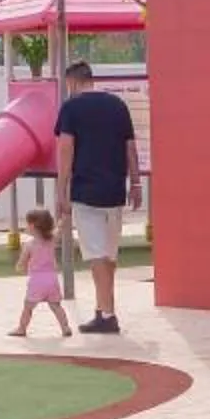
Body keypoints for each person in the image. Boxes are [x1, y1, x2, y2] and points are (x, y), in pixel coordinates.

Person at [50, 61, 140, 335]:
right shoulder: (118, 106)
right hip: (114, 191)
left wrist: (61, 190)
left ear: (73, 82)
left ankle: (108, 314)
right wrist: (135, 183)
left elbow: (66, 150)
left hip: (86, 192)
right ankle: (103, 310)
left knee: (96, 255)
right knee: (109, 255)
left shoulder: (71, 108)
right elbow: (130, 147)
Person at [9, 207, 70, 339]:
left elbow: (22, 262)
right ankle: (65, 328)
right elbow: (59, 230)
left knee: (28, 307)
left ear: (32, 226)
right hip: (52, 279)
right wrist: (63, 221)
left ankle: (21, 328)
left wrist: (19, 267)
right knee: (56, 306)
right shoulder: (51, 240)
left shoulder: (30, 245)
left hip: (36, 281)